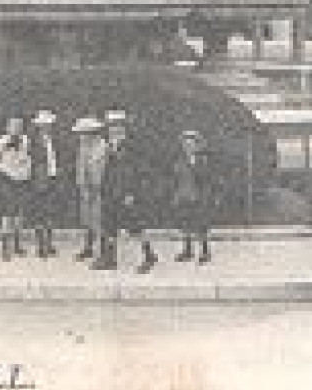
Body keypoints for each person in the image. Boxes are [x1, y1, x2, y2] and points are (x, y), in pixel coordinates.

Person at [96, 110, 157, 274]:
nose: (113, 131)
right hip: (111, 192)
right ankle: (110, 258)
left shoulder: (131, 147)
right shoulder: (109, 146)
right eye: (111, 128)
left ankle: (148, 255)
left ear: (123, 128)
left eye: (117, 128)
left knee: (135, 227)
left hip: (126, 193)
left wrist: (131, 193)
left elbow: (135, 172)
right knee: (109, 226)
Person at [0, 116, 33, 261]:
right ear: (8, 128)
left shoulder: (26, 141)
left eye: (19, 126)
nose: (17, 129)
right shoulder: (0, 142)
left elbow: (29, 158)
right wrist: (4, 169)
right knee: (7, 211)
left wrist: (26, 170)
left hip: (22, 179)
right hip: (6, 179)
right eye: (14, 126)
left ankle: (17, 244)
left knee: (19, 211)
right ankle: (5, 247)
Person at [170, 130, 216, 264]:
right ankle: (187, 250)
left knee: (201, 226)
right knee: (185, 225)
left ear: (197, 145)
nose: (188, 146)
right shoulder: (179, 160)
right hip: (183, 196)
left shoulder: (202, 160)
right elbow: (176, 177)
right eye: (185, 143)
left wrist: (206, 196)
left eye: (191, 143)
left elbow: (207, 179)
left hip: (198, 197)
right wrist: (176, 194)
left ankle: (205, 252)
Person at [71, 115, 108, 262]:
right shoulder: (83, 147)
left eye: (83, 133)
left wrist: (99, 187)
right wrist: (82, 187)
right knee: (87, 219)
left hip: (101, 188)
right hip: (87, 188)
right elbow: (80, 168)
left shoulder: (103, 147)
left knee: (99, 220)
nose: (81, 136)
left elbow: (104, 169)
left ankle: (102, 251)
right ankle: (88, 247)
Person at [26, 110, 61, 258]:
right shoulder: (32, 141)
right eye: (43, 125)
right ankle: (41, 245)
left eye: (48, 125)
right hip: (39, 180)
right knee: (40, 212)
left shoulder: (57, 139)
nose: (46, 127)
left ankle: (49, 243)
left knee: (50, 212)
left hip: (53, 178)